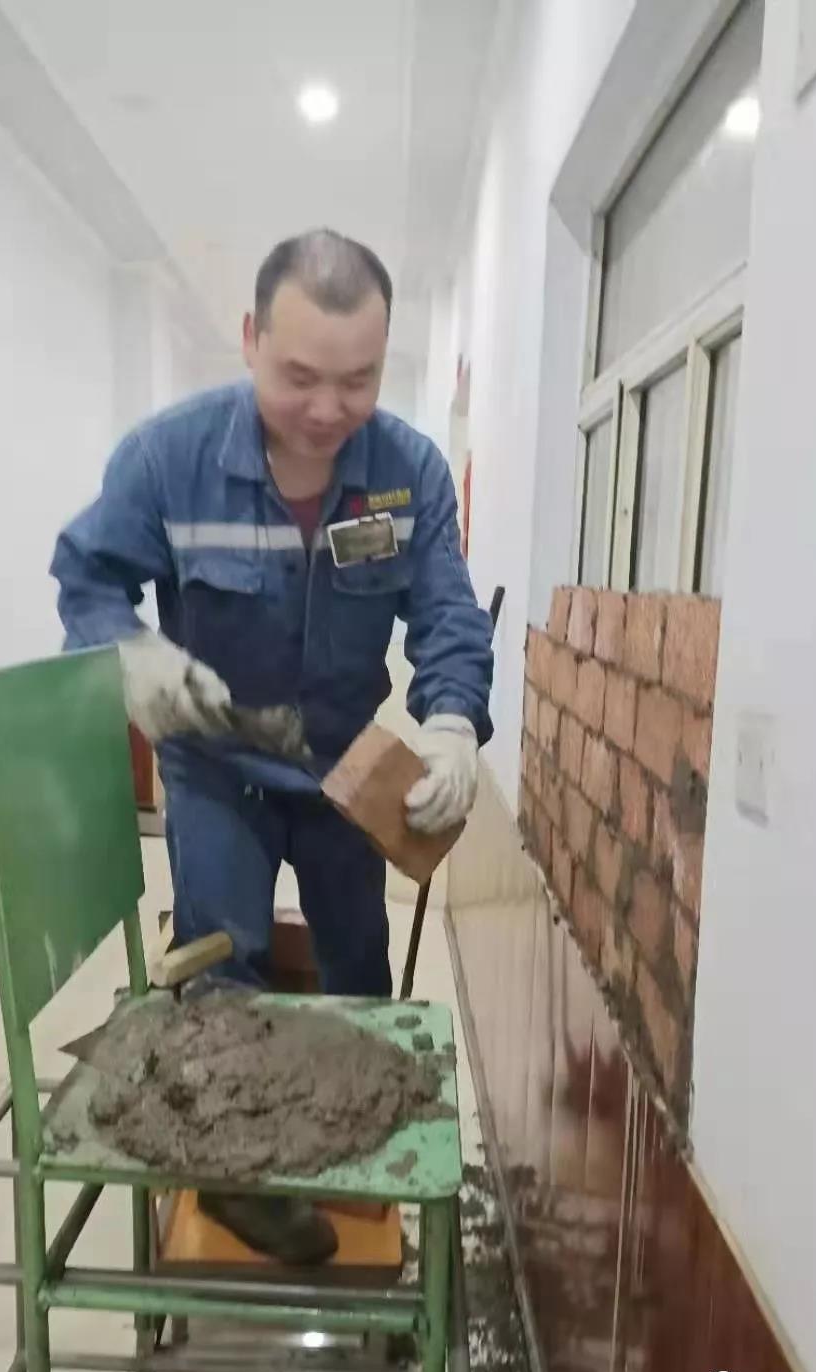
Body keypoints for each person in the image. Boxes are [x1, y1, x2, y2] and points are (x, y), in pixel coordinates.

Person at [51, 228, 493, 1263]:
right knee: (222, 970)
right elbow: (88, 579)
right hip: (215, 770)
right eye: (300, 376)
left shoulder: (409, 473)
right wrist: (128, 651)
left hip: (342, 769)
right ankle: (235, 1182)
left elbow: (446, 613)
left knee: (359, 976)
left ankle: (352, 1165)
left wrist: (452, 720)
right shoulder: (168, 460)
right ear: (251, 339)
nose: (329, 408)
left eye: (359, 380)